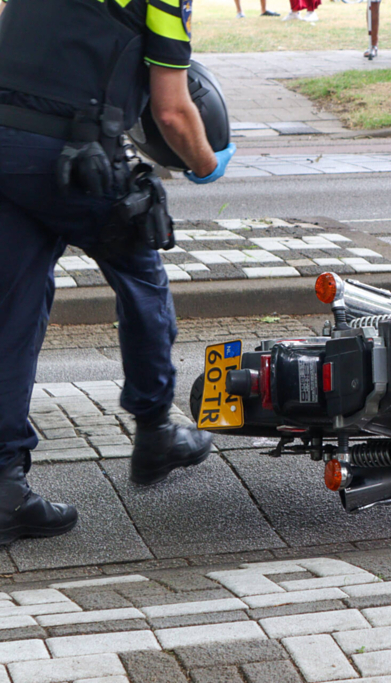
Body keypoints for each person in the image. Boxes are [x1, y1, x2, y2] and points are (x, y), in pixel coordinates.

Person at [0, 0, 235, 545]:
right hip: (74, 158)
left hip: (4, 150)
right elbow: (172, 111)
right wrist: (206, 164)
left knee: (13, 312)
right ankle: (156, 431)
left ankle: (5, 485)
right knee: (141, 276)